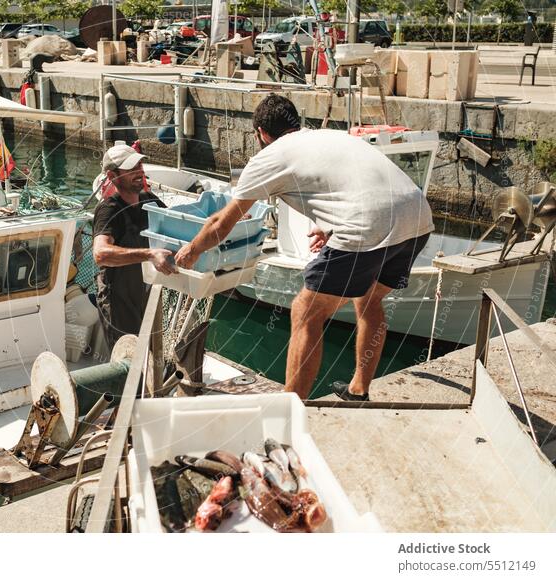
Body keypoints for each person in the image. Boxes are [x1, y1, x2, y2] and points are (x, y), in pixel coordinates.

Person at [175, 94, 433, 401]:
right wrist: (332, 225)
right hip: (417, 217)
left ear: (261, 134)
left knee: (306, 310)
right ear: (295, 122)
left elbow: (221, 222)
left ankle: (289, 407)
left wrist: (190, 252)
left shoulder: (269, 157)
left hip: (366, 225)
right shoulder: (330, 136)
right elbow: (351, 182)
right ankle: (358, 389)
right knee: (369, 299)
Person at [92, 144, 175, 348]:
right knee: (128, 359)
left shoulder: (150, 201)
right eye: (131, 169)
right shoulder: (109, 210)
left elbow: (180, 222)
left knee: (151, 351)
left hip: (145, 293)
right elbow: (100, 254)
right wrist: (149, 254)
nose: (139, 172)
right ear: (112, 176)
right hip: (118, 300)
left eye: (139, 165)